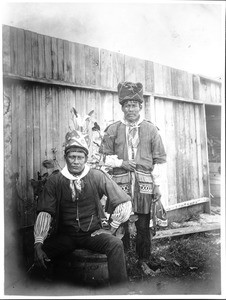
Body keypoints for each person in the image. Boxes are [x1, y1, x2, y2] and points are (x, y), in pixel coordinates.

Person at [33, 129, 132, 285]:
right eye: (72, 157)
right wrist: (38, 243)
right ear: (65, 158)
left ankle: (119, 290)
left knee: (115, 244)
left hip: (92, 234)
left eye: (80, 157)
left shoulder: (97, 176)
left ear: (85, 159)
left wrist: (111, 228)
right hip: (65, 236)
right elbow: (45, 212)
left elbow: (123, 201)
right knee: (39, 253)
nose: (76, 161)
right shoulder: (55, 180)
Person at [99, 81, 167, 268]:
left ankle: (143, 260)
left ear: (140, 107)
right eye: (127, 105)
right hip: (119, 182)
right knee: (120, 222)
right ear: (122, 107)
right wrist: (122, 163)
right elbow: (103, 157)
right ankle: (123, 261)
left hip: (144, 183)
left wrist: (157, 185)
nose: (131, 109)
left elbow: (159, 159)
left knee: (143, 224)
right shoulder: (112, 130)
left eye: (134, 105)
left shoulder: (151, 129)